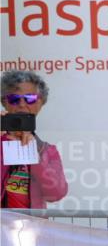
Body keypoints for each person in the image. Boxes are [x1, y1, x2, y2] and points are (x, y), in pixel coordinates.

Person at [1, 70, 68, 209]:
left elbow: (56, 194)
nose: (21, 104)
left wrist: (34, 153)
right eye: (14, 99)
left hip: (34, 228)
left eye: (30, 98)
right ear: (4, 102)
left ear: (41, 103)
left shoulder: (47, 150)